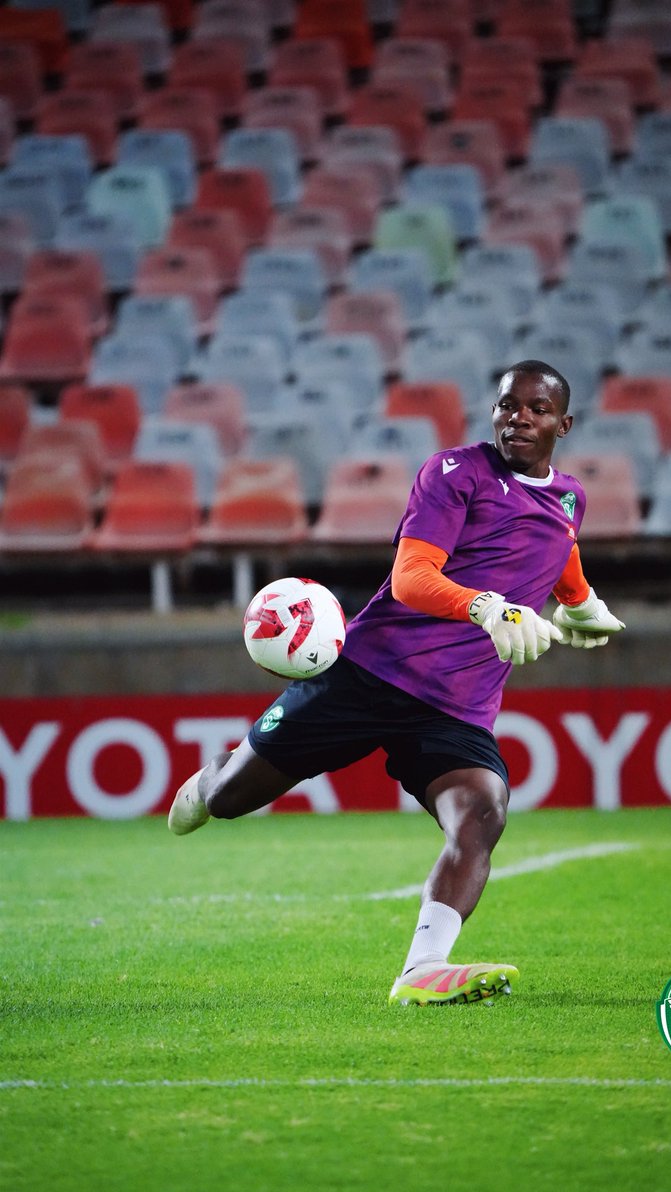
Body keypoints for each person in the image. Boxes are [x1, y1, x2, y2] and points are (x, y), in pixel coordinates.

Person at [169, 359, 625, 1006]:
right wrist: (489, 607)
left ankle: (422, 968)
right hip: (370, 674)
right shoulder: (455, 473)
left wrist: (579, 603)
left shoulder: (570, 496)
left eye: (537, 409)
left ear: (564, 424)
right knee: (233, 800)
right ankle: (214, 776)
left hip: (456, 709)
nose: (518, 417)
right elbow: (412, 578)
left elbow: (559, 545)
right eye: (507, 405)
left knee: (482, 813)